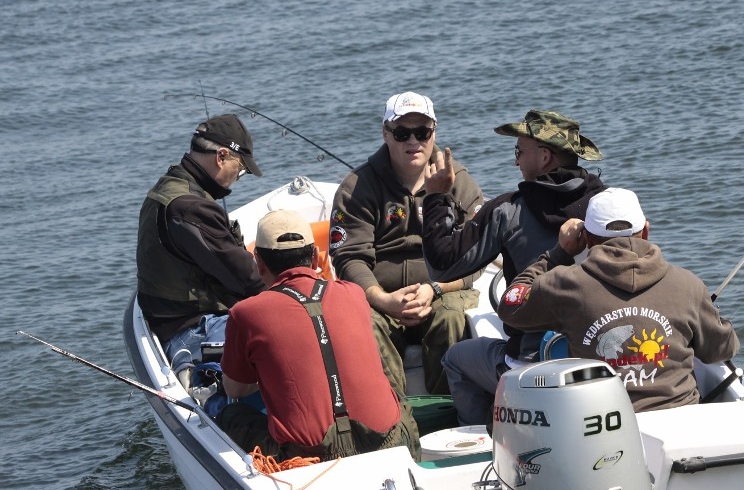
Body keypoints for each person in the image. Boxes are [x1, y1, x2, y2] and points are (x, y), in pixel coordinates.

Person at [422, 109, 606, 425]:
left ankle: (487, 446)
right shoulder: (609, 206)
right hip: (601, 355)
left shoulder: (508, 211)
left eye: (519, 152)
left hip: (535, 366)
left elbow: (443, 265)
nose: (516, 161)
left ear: (545, 156)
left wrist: (437, 198)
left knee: (456, 360)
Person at [498, 187, 740, 412]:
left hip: (603, 425)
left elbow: (510, 305)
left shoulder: (564, 284)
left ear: (588, 240)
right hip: (678, 418)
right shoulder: (688, 284)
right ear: (646, 231)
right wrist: (710, 314)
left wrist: (557, 254)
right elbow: (723, 349)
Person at [218, 210, 420, 461]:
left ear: (258, 263)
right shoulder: (354, 293)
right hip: (386, 442)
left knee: (229, 414)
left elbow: (234, 388)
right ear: (315, 257)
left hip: (308, 457)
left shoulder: (245, 313)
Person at [328, 91, 484, 396]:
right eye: (401, 133)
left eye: (422, 132)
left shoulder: (459, 181)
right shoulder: (357, 188)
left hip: (441, 289)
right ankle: (392, 417)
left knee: (451, 318)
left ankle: (449, 410)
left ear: (434, 133)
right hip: (381, 296)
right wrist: (382, 299)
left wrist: (435, 289)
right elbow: (349, 257)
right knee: (365, 325)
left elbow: (478, 251)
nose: (413, 141)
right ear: (385, 134)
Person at [136, 114, 265, 376]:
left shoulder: (169, 184)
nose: (238, 178)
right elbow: (248, 281)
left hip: (166, 320)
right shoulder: (193, 208)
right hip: (193, 329)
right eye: (240, 169)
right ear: (221, 157)